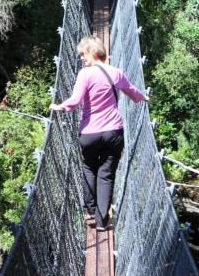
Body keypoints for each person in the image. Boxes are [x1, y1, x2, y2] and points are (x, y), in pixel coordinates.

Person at [49, 35, 149, 230]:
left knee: (89, 168)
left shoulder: (85, 74)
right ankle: (103, 220)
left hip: (89, 134)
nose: (81, 58)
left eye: (83, 54)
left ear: (93, 53)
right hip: (113, 133)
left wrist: (60, 106)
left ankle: (90, 209)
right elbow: (132, 92)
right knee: (106, 174)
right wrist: (144, 97)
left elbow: (76, 100)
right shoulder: (117, 73)